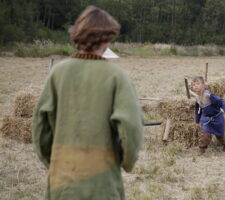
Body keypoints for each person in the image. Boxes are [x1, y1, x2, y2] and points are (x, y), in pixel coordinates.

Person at [32, 6, 144, 200]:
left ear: (77, 35)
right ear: (108, 38)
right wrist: (127, 161)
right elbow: (130, 125)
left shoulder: (58, 73)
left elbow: (40, 127)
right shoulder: (116, 76)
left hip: (62, 183)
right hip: (102, 183)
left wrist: (54, 164)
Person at [191, 76, 225, 154]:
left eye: (198, 84)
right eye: (194, 84)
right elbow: (198, 111)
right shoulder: (198, 99)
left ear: (204, 85)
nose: (196, 86)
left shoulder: (209, 95)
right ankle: (201, 150)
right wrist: (197, 121)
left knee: (220, 137)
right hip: (207, 120)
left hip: (217, 119)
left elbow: (221, 101)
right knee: (204, 135)